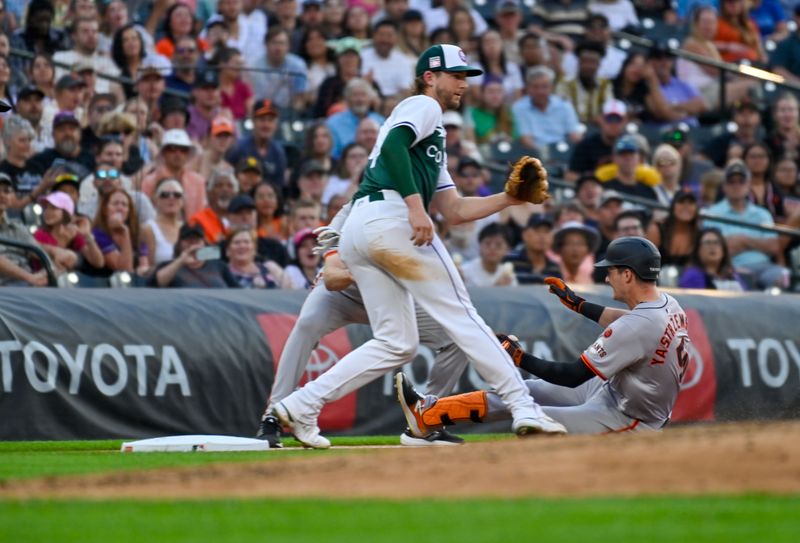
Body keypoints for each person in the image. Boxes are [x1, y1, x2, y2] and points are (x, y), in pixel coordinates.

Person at [270, 44, 566, 449]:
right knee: (463, 317)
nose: (463, 83)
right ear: (430, 76)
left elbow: (455, 209)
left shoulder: (434, 137)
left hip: (364, 226)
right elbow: (392, 145)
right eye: (456, 75)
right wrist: (414, 208)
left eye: (466, 76)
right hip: (389, 217)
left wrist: (509, 199)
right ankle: (523, 406)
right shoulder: (422, 106)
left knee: (397, 342)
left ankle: (303, 403)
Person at [397, 237, 691, 435]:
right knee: (521, 393)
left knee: (535, 422)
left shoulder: (638, 325)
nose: (605, 276)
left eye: (611, 270)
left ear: (628, 275)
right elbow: (628, 321)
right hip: (614, 393)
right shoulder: (667, 305)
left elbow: (573, 375)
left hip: (632, 419)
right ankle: (426, 413)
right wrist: (578, 303)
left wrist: (519, 357)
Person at [255, 207, 471, 448]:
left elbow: (455, 208)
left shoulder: (417, 208)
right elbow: (333, 278)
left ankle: (426, 418)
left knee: (457, 337)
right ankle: (272, 417)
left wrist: (506, 199)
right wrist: (367, 272)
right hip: (343, 295)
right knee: (306, 324)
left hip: (395, 299)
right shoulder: (351, 213)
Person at [704, 160, 789, 289]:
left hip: (764, 266)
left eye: (741, 181)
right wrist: (758, 243)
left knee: (783, 277)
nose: (736, 185)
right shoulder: (712, 214)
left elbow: (774, 246)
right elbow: (713, 250)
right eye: (731, 182)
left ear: (748, 185)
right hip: (731, 269)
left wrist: (742, 240)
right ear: (724, 186)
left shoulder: (762, 213)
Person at [34, 190, 103, 272]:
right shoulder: (40, 234)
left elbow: (98, 263)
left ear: (65, 212)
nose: (47, 212)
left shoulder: (73, 234)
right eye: (46, 208)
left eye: (53, 208)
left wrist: (88, 236)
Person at [151, 223, 240, 288]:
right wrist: (181, 261)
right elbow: (157, 283)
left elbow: (237, 291)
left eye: (197, 240)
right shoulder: (168, 266)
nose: (193, 244)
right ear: (179, 244)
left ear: (204, 243)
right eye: (188, 240)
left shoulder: (219, 265)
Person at [0, 173, 48, 286]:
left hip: (25, 290)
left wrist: (51, 270)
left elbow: (40, 253)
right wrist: (29, 278)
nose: (2, 195)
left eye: (6, 191)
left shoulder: (17, 227)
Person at [678, 226, 747, 290]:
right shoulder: (692, 276)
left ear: (723, 249)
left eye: (716, 242)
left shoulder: (732, 274)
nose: (712, 247)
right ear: (698, 249)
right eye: (707, 242)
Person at [503, 213, 562, 284]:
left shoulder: (555, 269)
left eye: (546, 231)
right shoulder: (508, 261)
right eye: (537, 230)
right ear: (524, 235)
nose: (542, 236)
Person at [141, 178, 184, 266]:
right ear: (156, 200)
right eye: (164, 195)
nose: (171, 198)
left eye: (177, 195)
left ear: (182, 201)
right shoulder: (148, 229)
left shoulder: (187, 227)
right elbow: (147, 268)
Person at [460, 222, 517, 287]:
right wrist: (497, 287)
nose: (492, 248)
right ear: (480, 246)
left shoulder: (508, 276)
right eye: (487, 243)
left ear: (507, 250)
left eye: (498, 245)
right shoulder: (464, 272)